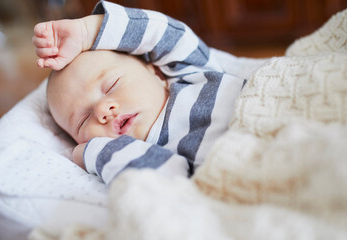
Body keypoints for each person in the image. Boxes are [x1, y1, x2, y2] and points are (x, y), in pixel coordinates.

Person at [33, 1, 246, 185]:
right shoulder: (141, 153)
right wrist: (94, 152)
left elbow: (162, 34)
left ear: (154, 71)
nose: (102, 110)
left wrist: (88, 32)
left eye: (111, 86)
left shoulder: (191, 73)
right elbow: (157, 183)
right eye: (83, 120)